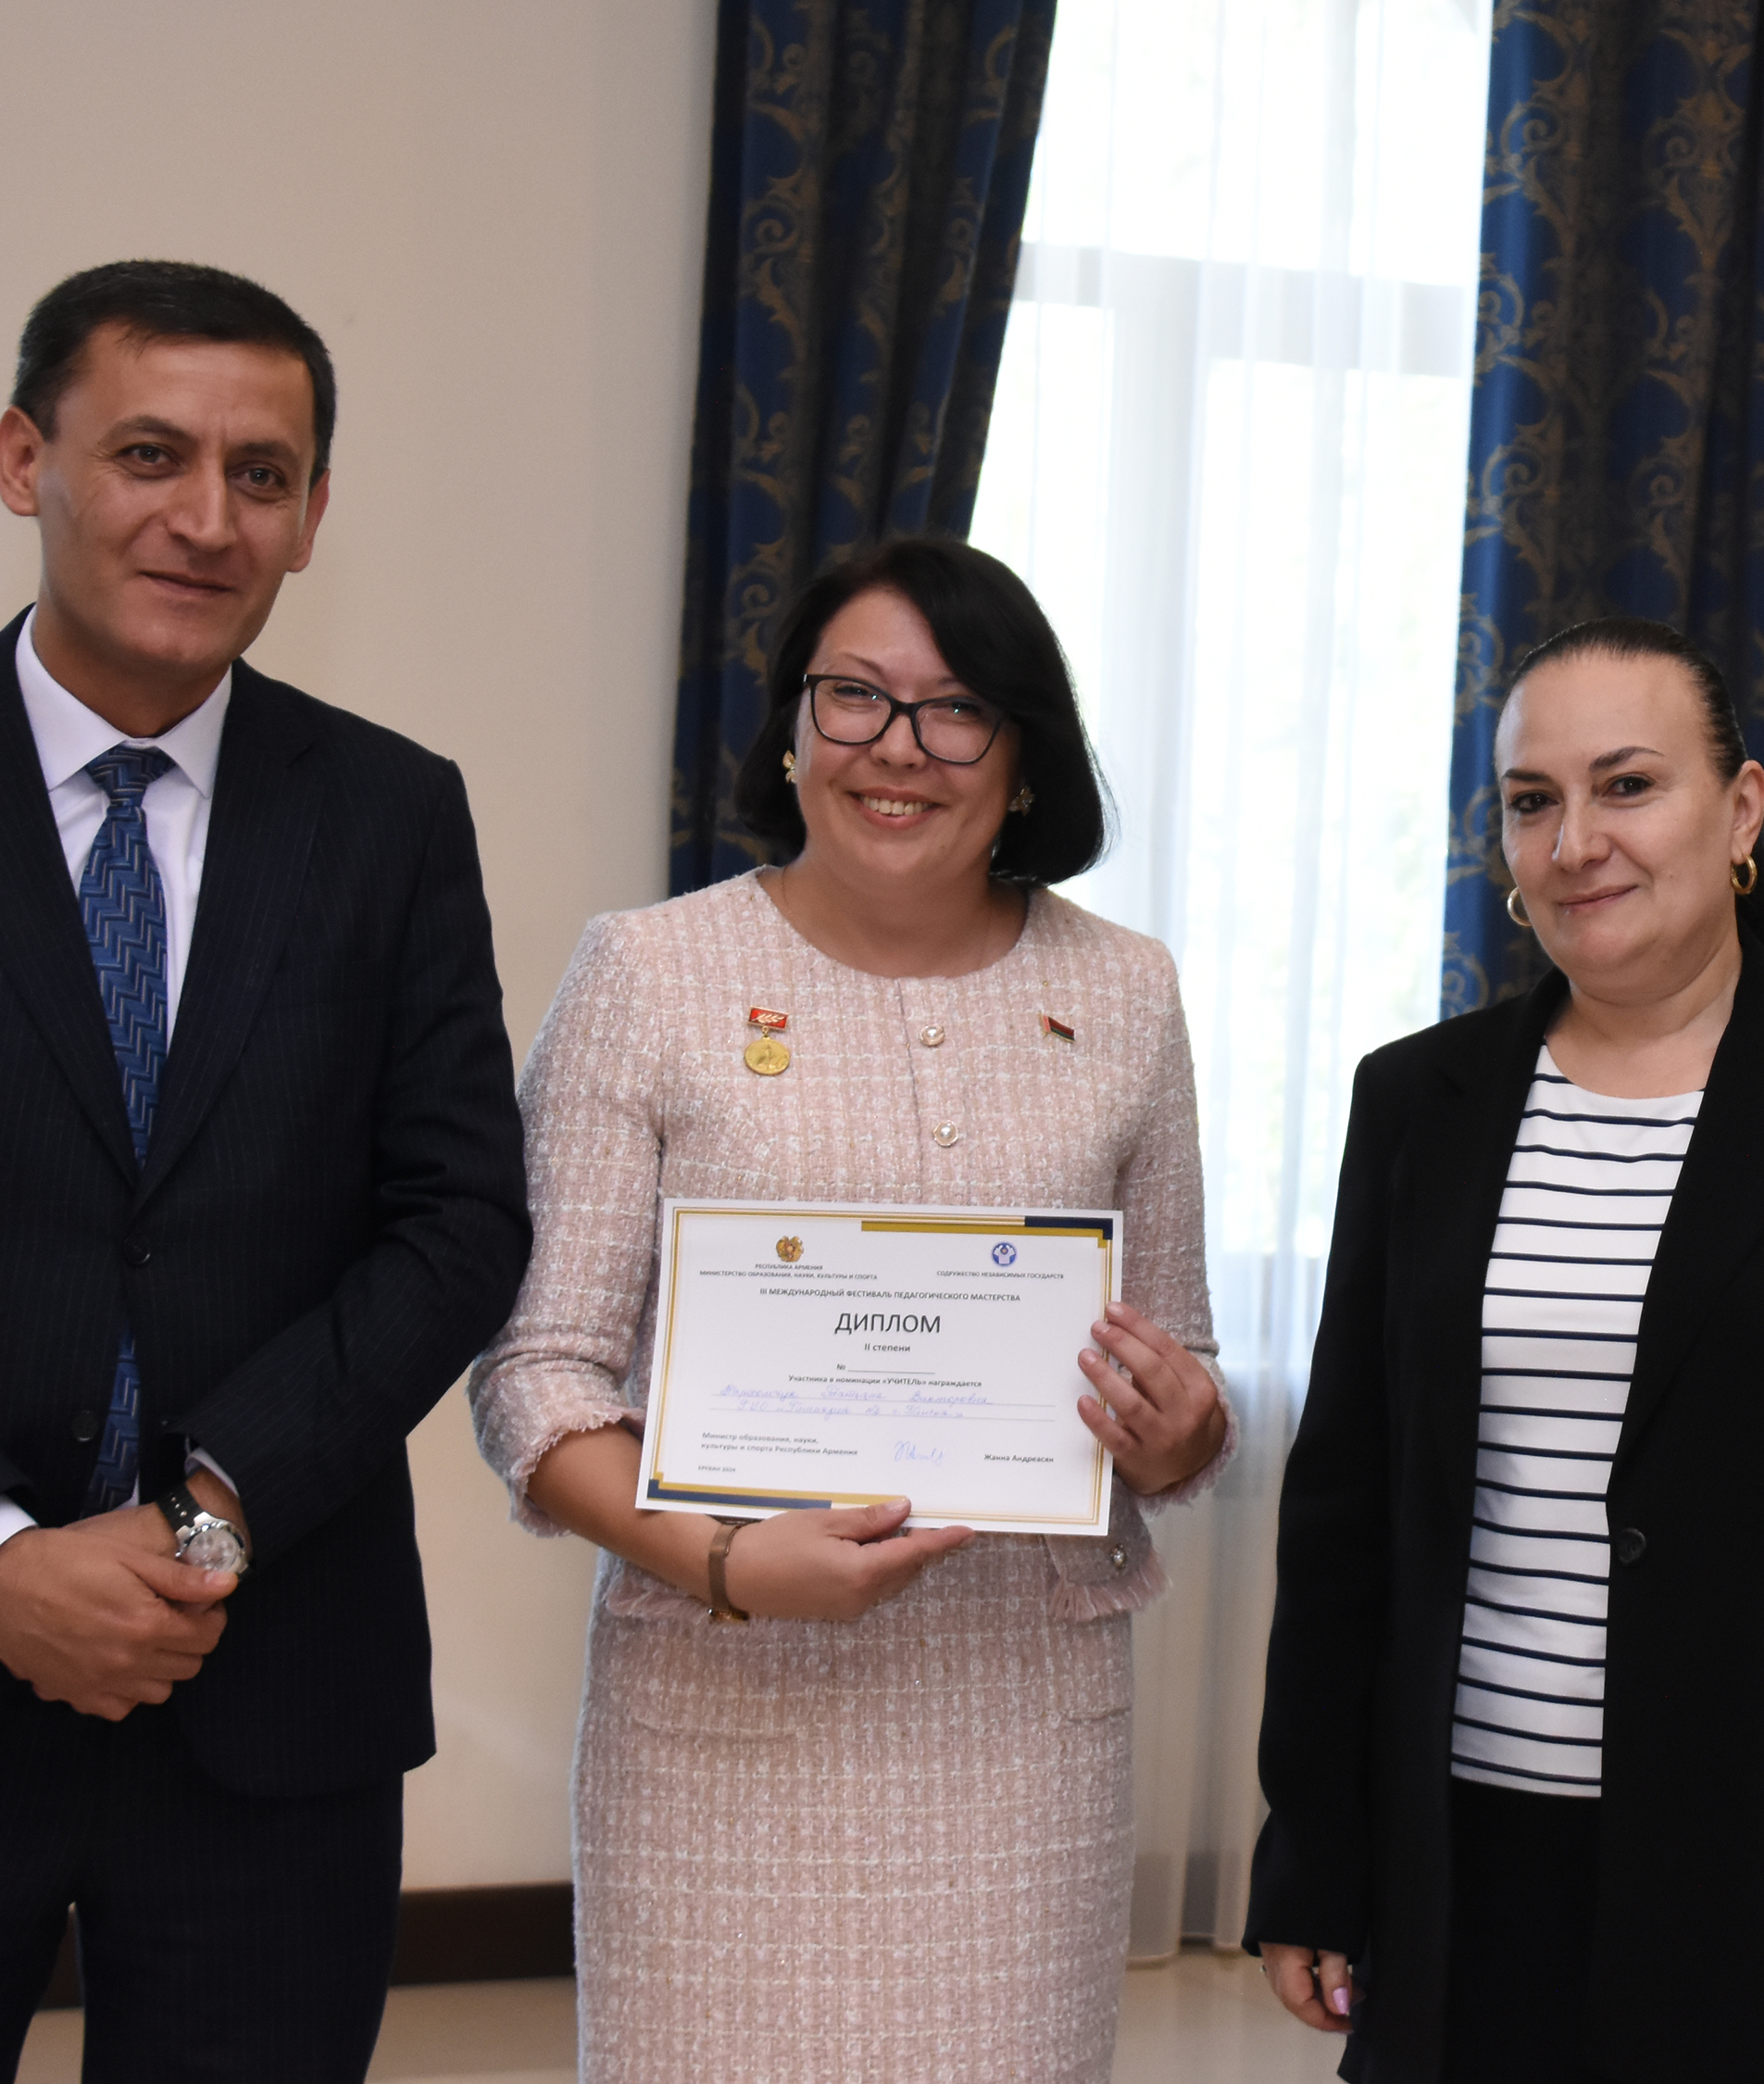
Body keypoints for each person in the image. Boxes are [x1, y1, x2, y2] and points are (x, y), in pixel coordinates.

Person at [0, 260, 532, 2078]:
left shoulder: (392, 814)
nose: (206, 517)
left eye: (261, 473)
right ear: (26, 459)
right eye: (151, 453)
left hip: (267, 1691)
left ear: (312, 513)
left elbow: (458, 1220)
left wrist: (208, 1514)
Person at [467, 535, 1229, 2079]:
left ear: (1024, 757)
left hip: (1022, 1729)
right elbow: (535, 1375)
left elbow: (1184, 1369)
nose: (898, 746)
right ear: (793, 728)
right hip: (720, 1711)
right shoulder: (648, 972)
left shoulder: (1129, 991)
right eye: (856, 697)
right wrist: (729, 1560)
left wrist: (1178, 1428)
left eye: (957, 710)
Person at [1244, 617, 1764, 2083]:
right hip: (1458, 1862)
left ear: (1741, 809)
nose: (1576, 841)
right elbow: (1343, 1513)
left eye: (1627, 785)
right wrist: (1314, 1849)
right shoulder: (1417, 1101)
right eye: (1532, 800)